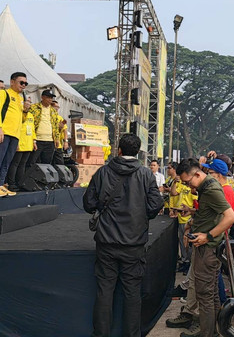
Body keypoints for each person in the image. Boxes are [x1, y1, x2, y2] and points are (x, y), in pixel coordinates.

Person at [83, 133, 164, 337]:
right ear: (137, 152)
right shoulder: (146, 174)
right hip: (134, 242)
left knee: (104, 291)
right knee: (132, 293)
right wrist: (141, 216)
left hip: (106, 241)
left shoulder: (102, 172)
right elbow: (156, 204)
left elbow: (88, 203)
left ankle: (101, 334)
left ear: (118, 150)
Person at [177, 158, 234, 337]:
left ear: (197, 174)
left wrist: (207, 236)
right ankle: (211, 330)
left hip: (208, 249)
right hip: (207, 247)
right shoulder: (206, 187)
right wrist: (195, 215)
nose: (189, 187)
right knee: (210, 294)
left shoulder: (211, 189)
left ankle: (208, 333)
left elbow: (230, 217)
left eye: (188, 182)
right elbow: (212, 213)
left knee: (205, 295)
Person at [0, 72, 30, 197]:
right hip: (4, 132)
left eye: (25, 83)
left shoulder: (19, 98)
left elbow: (21, 119)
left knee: (7, 162)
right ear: (12, 82)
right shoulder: (3, 93)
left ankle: (1, 184)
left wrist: (26, 111)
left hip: (15, 134)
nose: (24, 85)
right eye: (21, 82)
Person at [6, 104, 36, 191]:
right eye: (26, 103)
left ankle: (20, 182)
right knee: (15, 163)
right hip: (19, 141)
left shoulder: (30, 115)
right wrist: (16, 142)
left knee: (23, 164)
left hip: (28, 143)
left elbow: (32, 129)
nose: (28, 105)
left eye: (29, 104)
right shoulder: (19, 113)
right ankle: (11, 183)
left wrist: (34, 141)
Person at [28, 89, 60, 165]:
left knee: (46, 164)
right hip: (37, 140)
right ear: (42, 97)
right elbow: (29, 123)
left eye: (51, 98)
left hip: (50, 141)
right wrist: (32, 138)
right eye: (48, 97)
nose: (50, 99)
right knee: (31, 162)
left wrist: (57, 139)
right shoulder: (34, 108)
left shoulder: (53, 111)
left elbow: (55, 126)